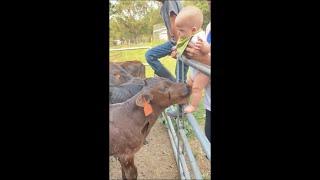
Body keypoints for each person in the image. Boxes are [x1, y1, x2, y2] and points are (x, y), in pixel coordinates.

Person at [170, 6, 210, 114]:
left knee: (197, 88)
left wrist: (203, 47)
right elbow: (180, 49)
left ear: (193, 30)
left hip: (203, 71)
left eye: (181, 30)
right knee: (188, 84)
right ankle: (184, 100)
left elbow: (207, 49)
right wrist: (176, 51)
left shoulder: (200, 37)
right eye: (178, 30)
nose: (178, 33)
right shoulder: (187, 37)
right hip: (195, 70)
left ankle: (193, 106)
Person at [145, 0, 189, 82]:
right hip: (174, 41)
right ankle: (173, 82)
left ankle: (176, 84)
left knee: (180, 76)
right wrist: (171, 43)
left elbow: (175, 22)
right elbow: (168, 27)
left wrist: (178, 46)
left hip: (182, 41)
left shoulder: (170, 1)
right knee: (150, 55)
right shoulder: (164, 6)